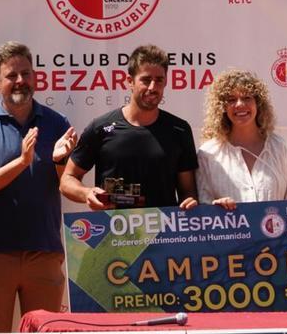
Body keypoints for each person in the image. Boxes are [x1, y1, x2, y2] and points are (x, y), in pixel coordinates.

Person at [0, 42, 78, 332]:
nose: (20, 81)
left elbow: (66, 182)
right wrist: (22, 160)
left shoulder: (56, 123)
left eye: (26, 74)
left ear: (35, 78)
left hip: (44, 252)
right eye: (12, 75)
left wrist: (60, 158)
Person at [60, 44, 198, 210]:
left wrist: (190, 203)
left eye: (159, 80)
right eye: (146, 80)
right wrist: (87, 193)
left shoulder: (179, 130)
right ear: (130, 82)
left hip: (165, 232)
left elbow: (188, 191)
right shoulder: (101, 128)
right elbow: (67, 180)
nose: (152, 87)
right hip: (112, 232)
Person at [196, 69, 287, 209]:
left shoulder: (281, 148)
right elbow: (202, 208)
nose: (240, 104)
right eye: (231, 99)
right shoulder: (208, 154)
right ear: (222, 107)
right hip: (230, 231)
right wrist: (216, 209)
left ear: (258, 103)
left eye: (247, 97)